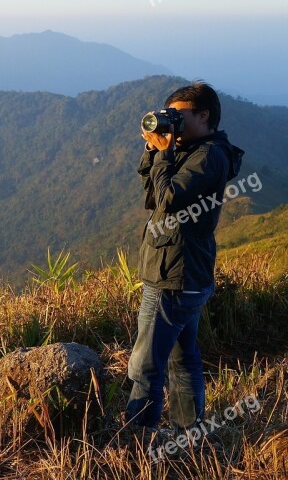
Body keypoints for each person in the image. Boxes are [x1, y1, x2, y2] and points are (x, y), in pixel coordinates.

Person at [126, 81, 243, 432]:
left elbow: (171, 198)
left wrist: (164, 154)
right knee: (182, 357)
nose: (171, 122)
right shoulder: (194, 151)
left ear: (203, 114)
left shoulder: (209, 155)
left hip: (173, 276)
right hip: (181, 272)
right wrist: (154, 151)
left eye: (178, 115)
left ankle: (137, 438)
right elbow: (153, 197)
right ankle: (188, 431)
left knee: (145, 365)